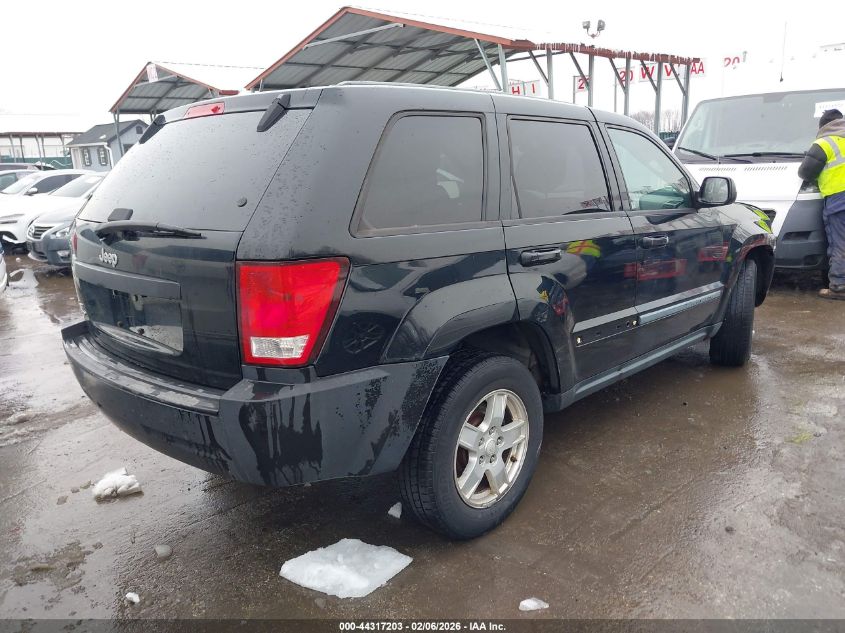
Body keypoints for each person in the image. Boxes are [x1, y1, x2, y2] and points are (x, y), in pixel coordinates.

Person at [798, 109, 845, 300]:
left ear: (823, 126)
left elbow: (806, 172)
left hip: (839, 200)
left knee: (840, 243)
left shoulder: (824, 143)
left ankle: (839, 286)